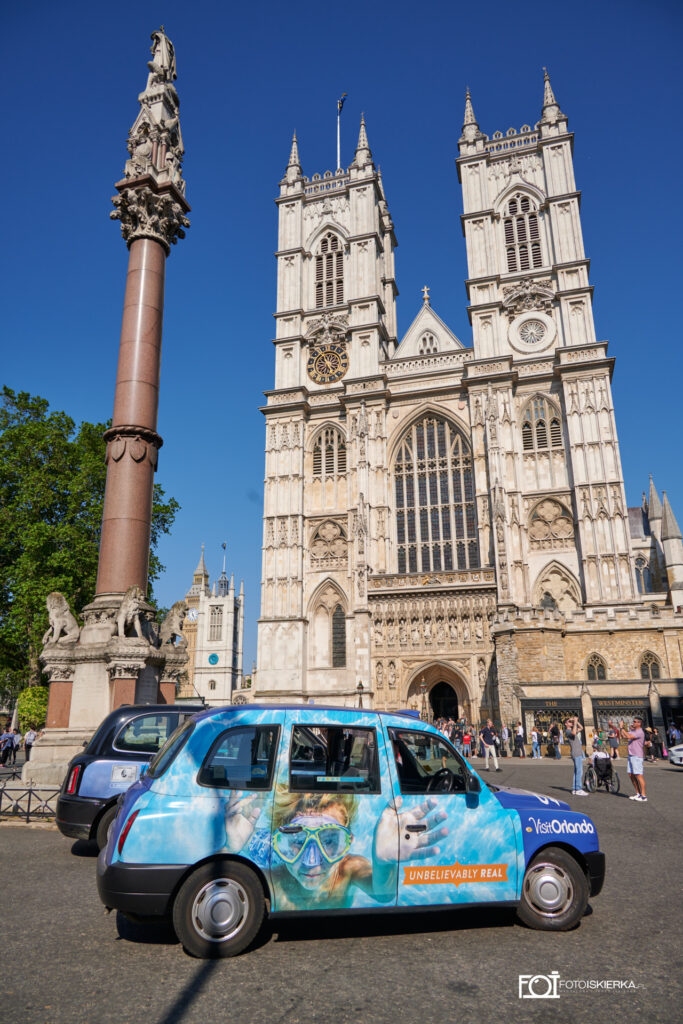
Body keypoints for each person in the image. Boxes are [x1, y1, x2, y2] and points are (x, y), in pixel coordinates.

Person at [620, 716, 647, 802]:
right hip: (631, 755)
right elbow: (624, 735)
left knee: (639, 775)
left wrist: (622, 728)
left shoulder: (640, 732)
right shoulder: (633, 731)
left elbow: (629, 736)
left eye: (635, 721)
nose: (633, 723)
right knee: (631, 774)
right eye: (633, 721)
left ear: (639, 723)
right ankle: (638, 793)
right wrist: (621, 729)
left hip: (637, 756)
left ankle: (643, 795)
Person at [565, 716, 587, 796]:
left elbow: (581, 728)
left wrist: (576, 721)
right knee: (579, 771)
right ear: (566, 724)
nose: (571, 723)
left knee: (576, 771)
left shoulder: (571, 729)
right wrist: (574, 723)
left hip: (577, 752)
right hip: (576, 753)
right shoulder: (568, 731)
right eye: (569, 722)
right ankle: (578, 789)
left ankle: (574, 788)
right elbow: (574, 733)